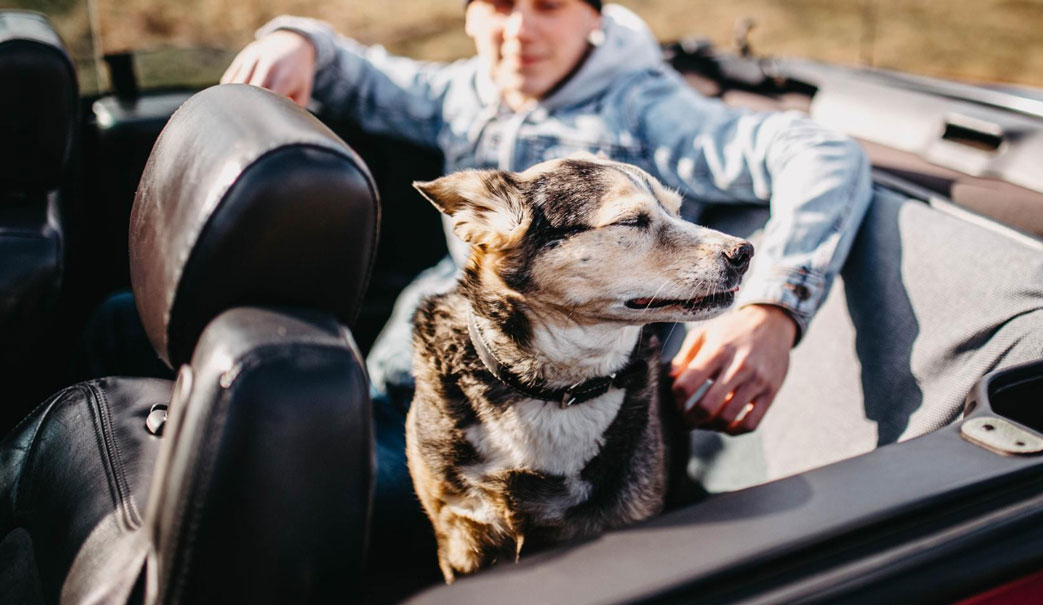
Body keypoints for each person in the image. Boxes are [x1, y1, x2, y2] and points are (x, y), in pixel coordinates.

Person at [222, 0, 872, 440]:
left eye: (550, 5)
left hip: (538, 410)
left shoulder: (644, 111)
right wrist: (295, 38)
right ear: (472, 14)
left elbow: (820, 152)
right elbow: (366, 76)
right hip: (415, 356)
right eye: (500, 5)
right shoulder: (471, 89)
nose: (519, 32)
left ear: (593, 17)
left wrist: (773, 308)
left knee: (302, 507)